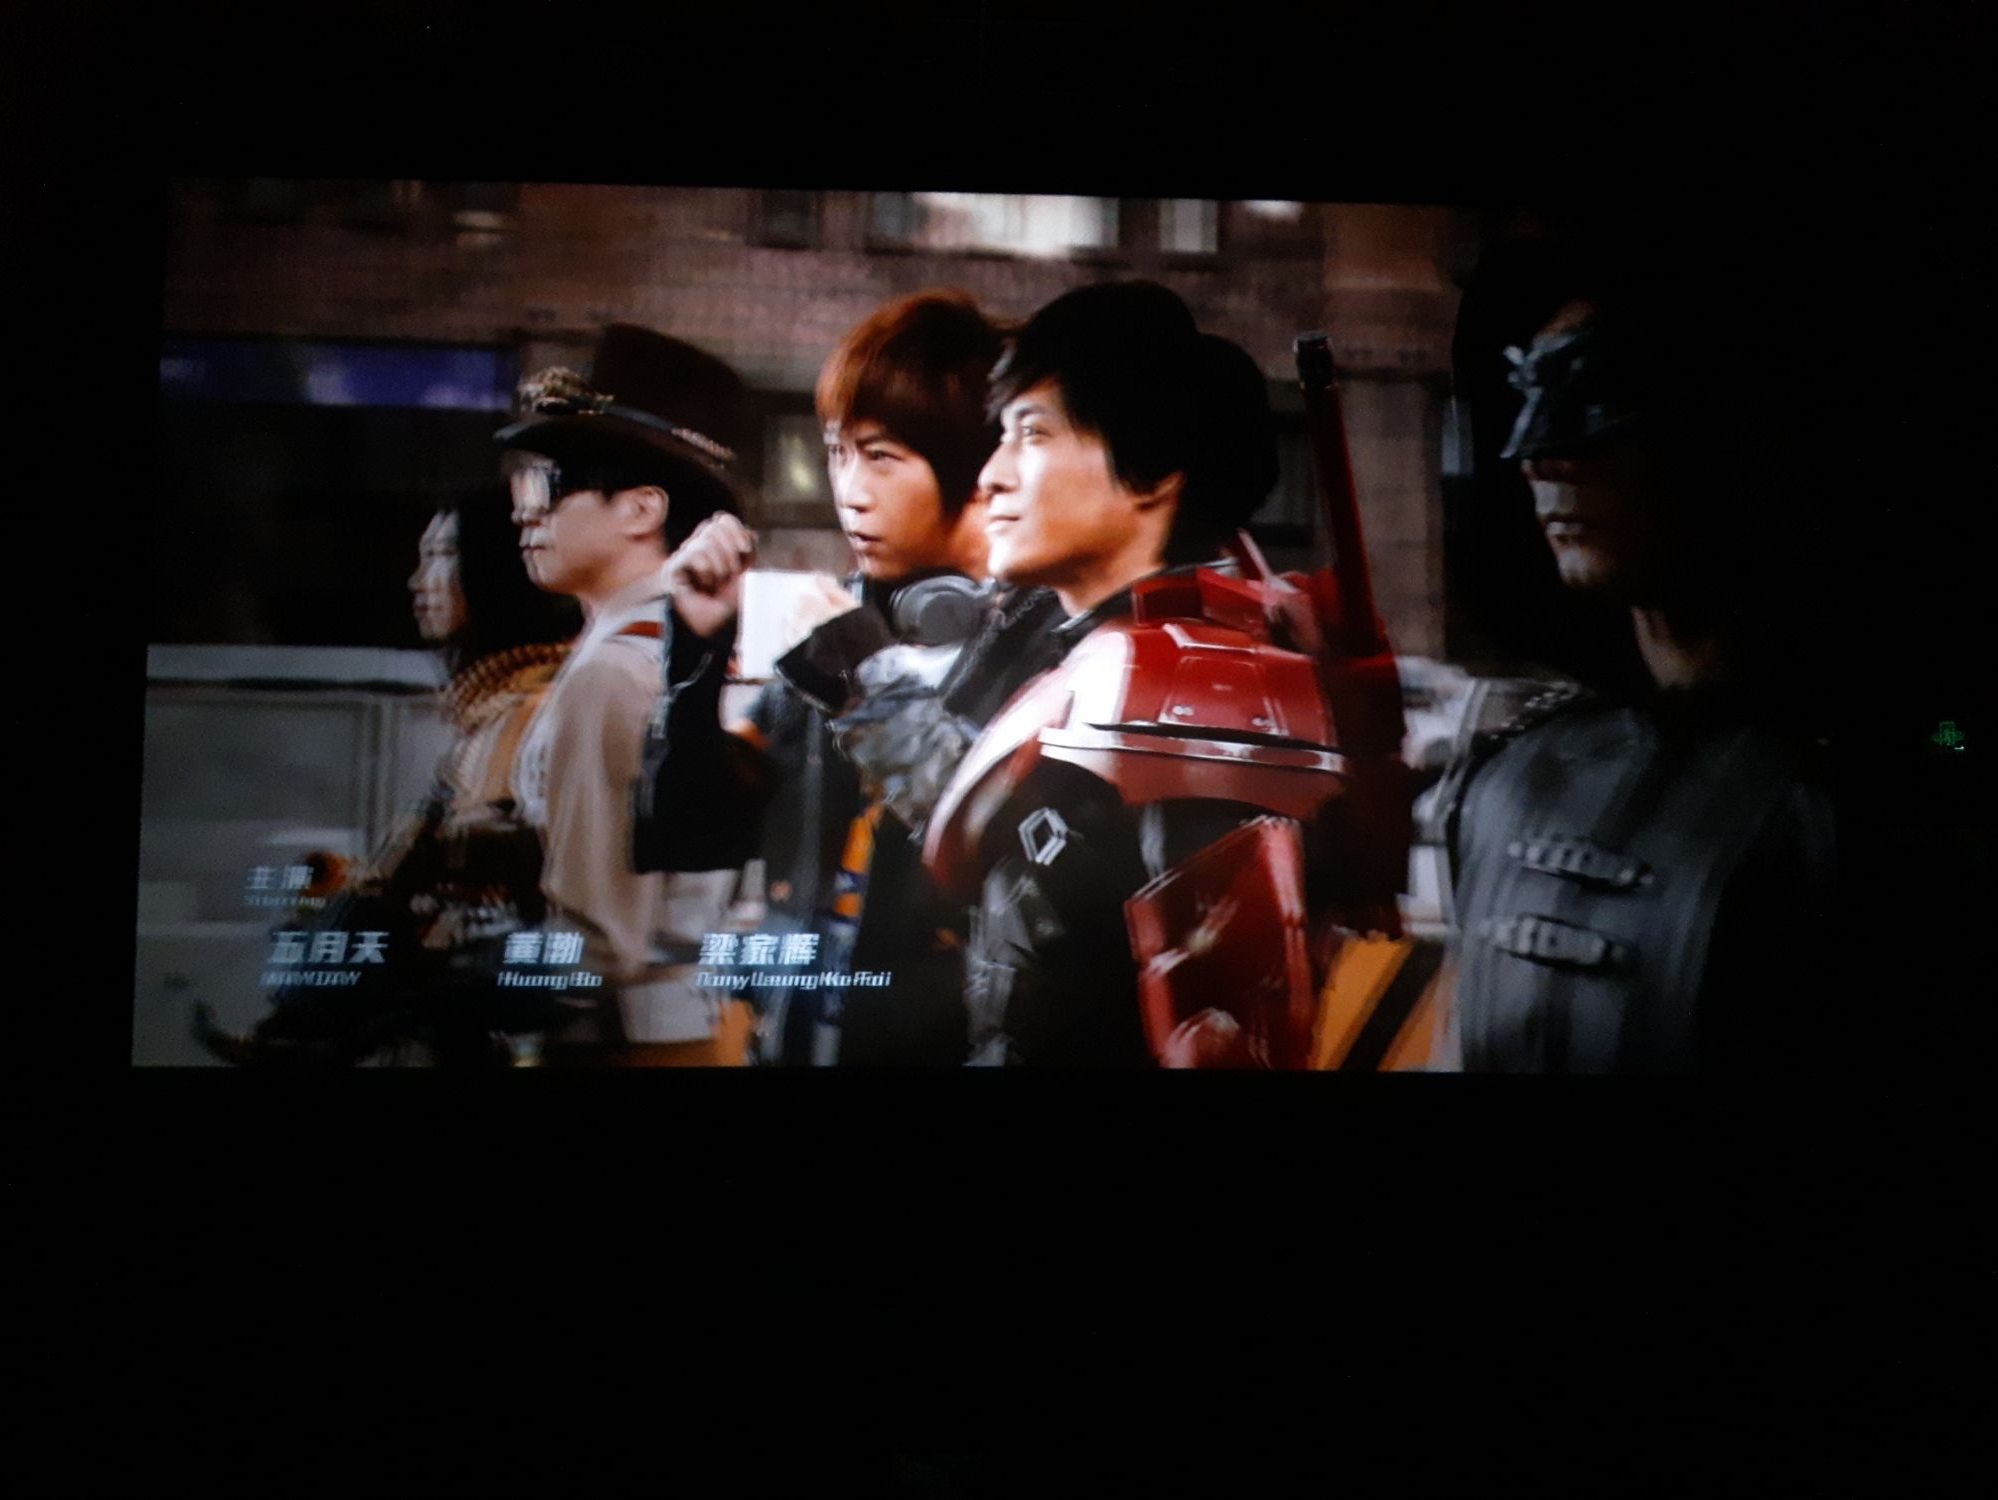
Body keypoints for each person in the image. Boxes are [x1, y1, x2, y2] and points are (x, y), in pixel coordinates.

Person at [919, 281, 1414, 1067]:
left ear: (1151, 472)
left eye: (1033, 434)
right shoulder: (1080, 651)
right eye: (1001, 437)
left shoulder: (1189, 692)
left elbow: (1219, 1033)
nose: (992, 477)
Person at [1432, 234, 1837, 1073]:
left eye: (1598, 397)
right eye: (1530, 395)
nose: (1539, 454)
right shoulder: (1514, 776)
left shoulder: (1834, 810)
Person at [643, 290, 1048, 1065]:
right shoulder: (838, 625)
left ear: (978, 466)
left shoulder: (1046, 639)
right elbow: (693, 831)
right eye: (837, 452)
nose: (850, 491)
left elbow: (1005, 858)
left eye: (880, 456)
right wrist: (694, 655)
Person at [194, 489, 579, 1066]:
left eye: (441, 557)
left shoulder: (532, 709)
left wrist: (426, 856)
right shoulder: (488, 709)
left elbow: (526, 857)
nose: (418, 582)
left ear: (493, 571)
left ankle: (297, 1039)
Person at [497, 323, 755, 1066]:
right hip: (699, 1033)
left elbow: (600, 945)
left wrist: (462, 979)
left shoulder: (612, 670)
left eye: (547, 486)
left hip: (618, 1044)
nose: (524, 513)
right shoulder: (689, 649)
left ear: (642, 510)